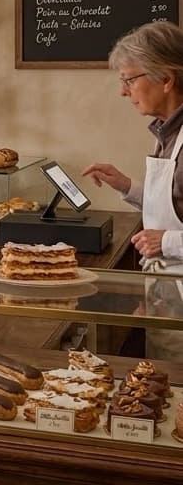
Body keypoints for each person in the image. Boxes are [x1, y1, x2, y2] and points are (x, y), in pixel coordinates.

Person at [82, 20, 183, 360]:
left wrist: (165, 242)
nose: (123, 92)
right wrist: (128, 187)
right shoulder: (168, 131)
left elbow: (168, 233)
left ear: (166, 79)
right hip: (168, 297)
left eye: (129, 80)